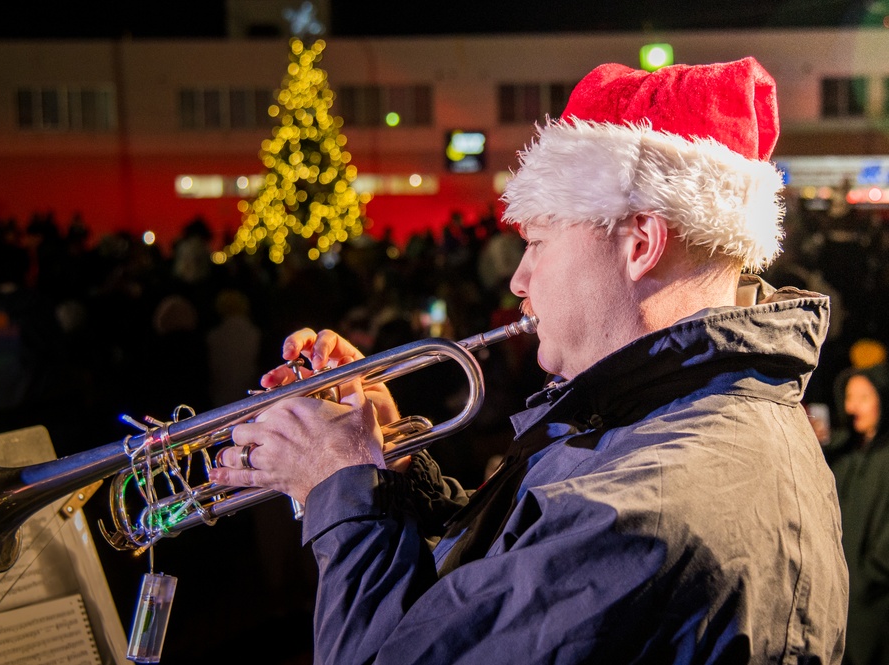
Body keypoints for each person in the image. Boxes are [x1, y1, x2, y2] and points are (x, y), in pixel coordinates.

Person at [210, 57, 848, 663]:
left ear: (641, 244)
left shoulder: (644, 509)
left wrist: (338, 490)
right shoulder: (661, 423)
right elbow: (505, 581)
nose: (519, 279)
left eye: (539, 242)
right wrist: (388, 470)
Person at [823, 362, 889, 665]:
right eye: (849, 397)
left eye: (863, 397)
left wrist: (866, 579)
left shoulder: (885, 458)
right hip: (834, 596)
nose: (853, 406)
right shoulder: (839, 451)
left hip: (872, 603)